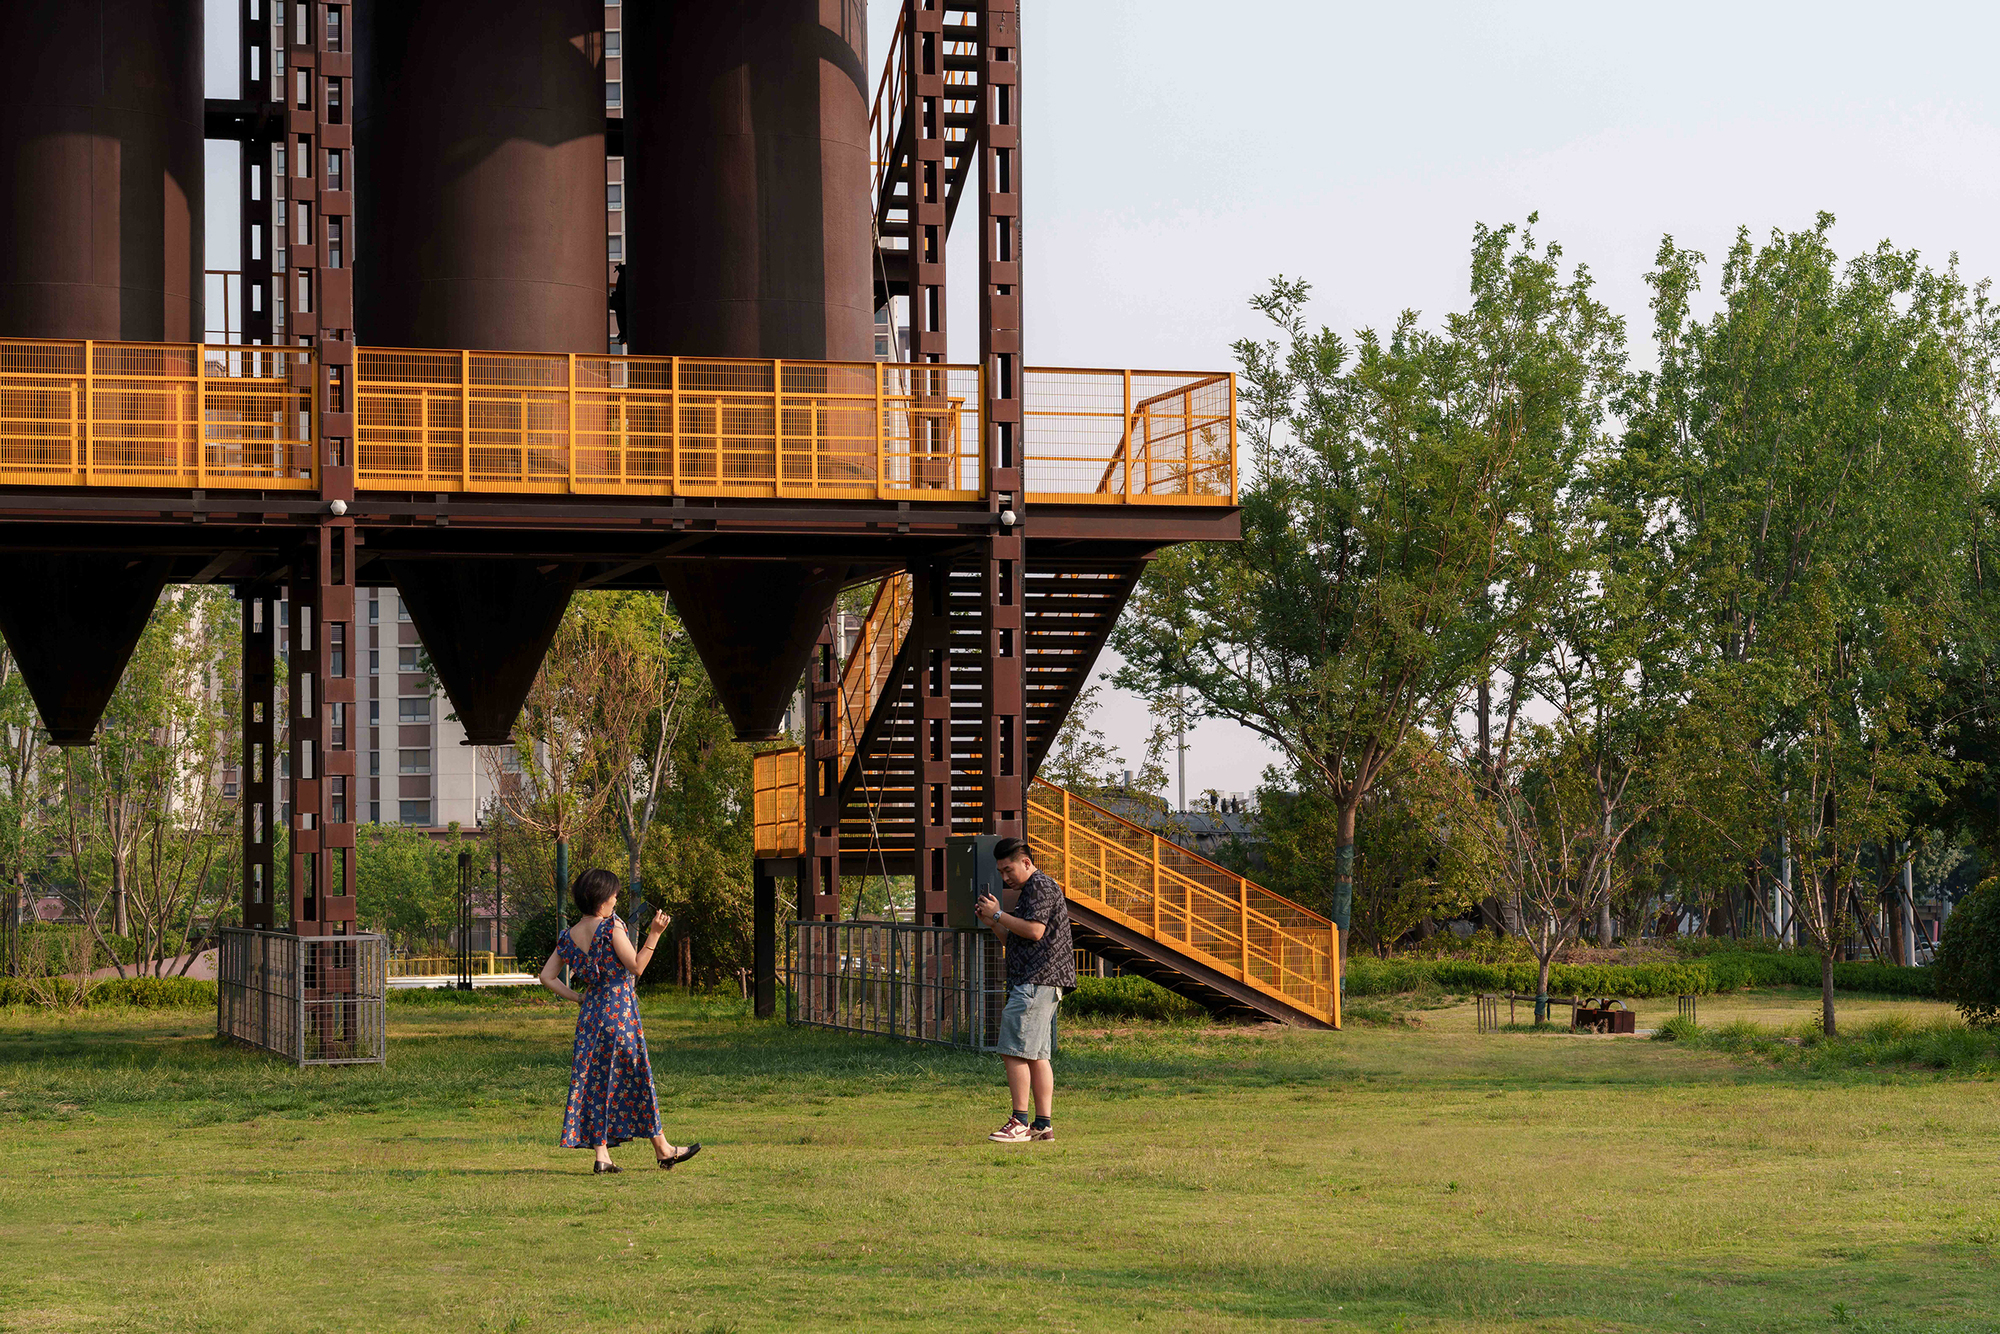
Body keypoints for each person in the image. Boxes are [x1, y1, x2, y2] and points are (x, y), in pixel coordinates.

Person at [538, 867, 701, 1175]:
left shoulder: (569, 934)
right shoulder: (612, 926)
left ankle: (603, 1156)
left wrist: (578, 998)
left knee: (597, 1083)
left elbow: (547, 976)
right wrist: (654, 933)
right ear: (602, 898)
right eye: (613, 893)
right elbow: (636, 967)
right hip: (619, 1012)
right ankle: (663, 1149)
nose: (616, 897)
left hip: (590, 1017)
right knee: (638, 1076)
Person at [974, 836, 1074, 1143]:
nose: (1005, 877)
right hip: (1040, 979)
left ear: (1026, 863)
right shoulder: (1032, 890)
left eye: (1008, 870)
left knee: (1012, 1048)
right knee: (1036, 1055)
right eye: (1001, 872)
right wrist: (994, 924)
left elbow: (1034, 930)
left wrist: (997, 914)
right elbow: (1018, 941)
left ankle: (1019, 1121)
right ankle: (1042, 1125)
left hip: (1036, 980)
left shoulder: (1039, 886)